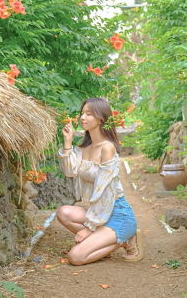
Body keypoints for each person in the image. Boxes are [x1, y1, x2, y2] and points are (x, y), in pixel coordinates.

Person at [56, 97, 143, 265]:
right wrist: (67, 142)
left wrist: (89, 228)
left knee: (75, 257)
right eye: (82, 113)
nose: (82, 117)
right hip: (98, 213)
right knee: (63, 213)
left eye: (88, 114)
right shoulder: (83, 148)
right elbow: (70, 171)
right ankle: (110, 240)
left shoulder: (107, 148)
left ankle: (125, 239)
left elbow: (106, 192)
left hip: (117, 214)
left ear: (101, 118)